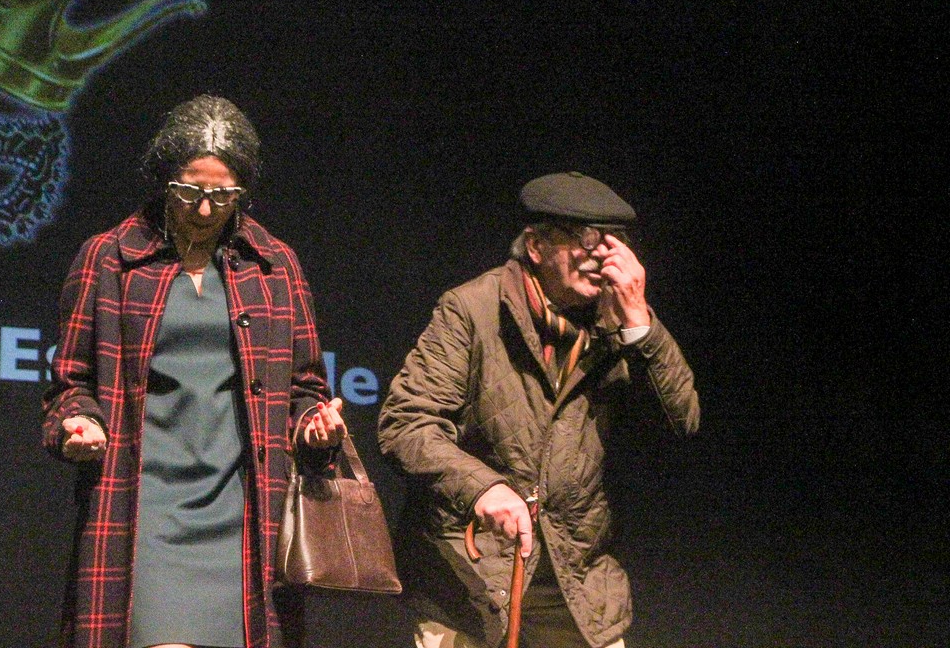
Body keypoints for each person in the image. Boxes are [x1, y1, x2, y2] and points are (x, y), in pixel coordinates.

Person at [42, 94, 346, 648]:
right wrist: (77, 421)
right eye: (189, 191)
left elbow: (304, 387)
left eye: (223, 195)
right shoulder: (108, 258)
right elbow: (70, 381)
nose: (204, 210)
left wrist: (313, 426)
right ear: (164, 180)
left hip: (243, 506)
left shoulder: (275, 265)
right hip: (144, 503)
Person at [377, 171, 699, 648]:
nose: (601, 255)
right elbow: (406, 423)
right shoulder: (472, 309)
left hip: (578, 582)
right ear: (536, 245)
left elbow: (680, 422)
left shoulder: (621, 324)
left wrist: (639, 325)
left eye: (614, 241)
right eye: (585, 238)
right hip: (472, 579)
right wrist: (483, 488)